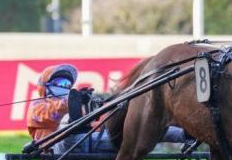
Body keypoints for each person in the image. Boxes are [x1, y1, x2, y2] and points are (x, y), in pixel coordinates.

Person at [26, 63, 190, 153]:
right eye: (60, 84)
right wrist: (72, 101)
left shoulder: (71, 102)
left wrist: (92, 102)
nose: (65, 86)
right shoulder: (37, 106)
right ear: (45, 87)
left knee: (143, 128)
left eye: (68, 84)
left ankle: (187, 135)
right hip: (58, 146)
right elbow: (53, 114)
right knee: (69, 119)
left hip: (87, 140)